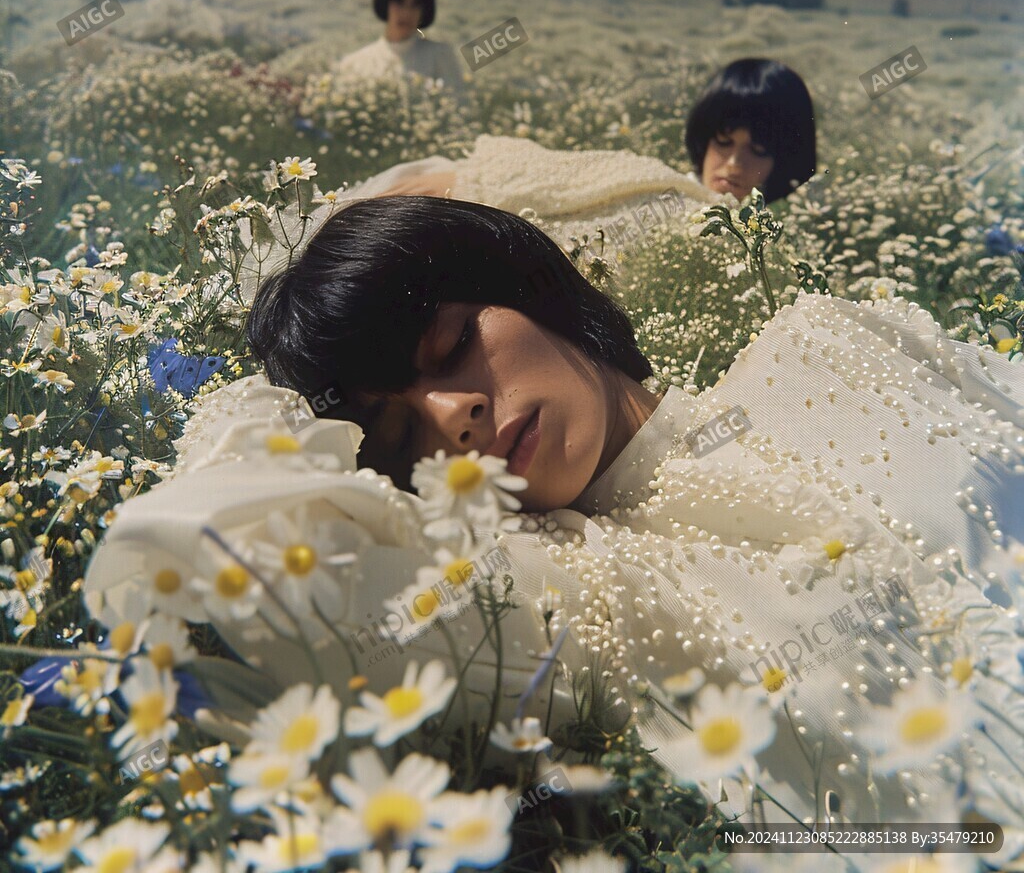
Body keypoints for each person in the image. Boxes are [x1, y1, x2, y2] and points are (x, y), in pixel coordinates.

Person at [86, 199, 1024, 870]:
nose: (451, 414)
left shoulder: (828, 344)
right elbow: (240, 526)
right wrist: (277, 387)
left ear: (526, 287)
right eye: (402, 437)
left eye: (451, 346)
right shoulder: (564, 587)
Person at [332, 0, 465, 101]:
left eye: (415, 4)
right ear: (385, 3)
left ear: (424, 10)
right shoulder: (353, 64)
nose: (406, 13)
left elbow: (457, 105)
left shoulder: (440, 56)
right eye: (399, 2)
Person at [685, 58, 816, 202]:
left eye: (757, 150)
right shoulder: (673, 196)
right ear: (703, 142)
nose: (733, 164)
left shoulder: (799, 208)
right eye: (723, 141)